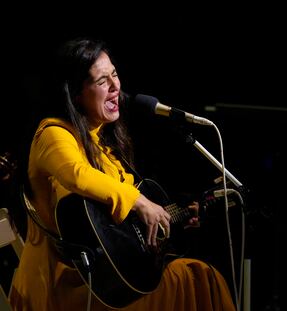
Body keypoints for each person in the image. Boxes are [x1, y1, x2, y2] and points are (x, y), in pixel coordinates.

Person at [9, 37, 236, 311]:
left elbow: (122, 225)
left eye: (114, 75)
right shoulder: (53, 133)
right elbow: (77, 175)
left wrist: (171, 219)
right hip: (61, 287)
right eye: (102, 81)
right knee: (198, 278)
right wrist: (140, 202)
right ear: (76, 93)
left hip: (102, 283)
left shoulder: (102, 147)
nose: (116, 87)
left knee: (193, 274)